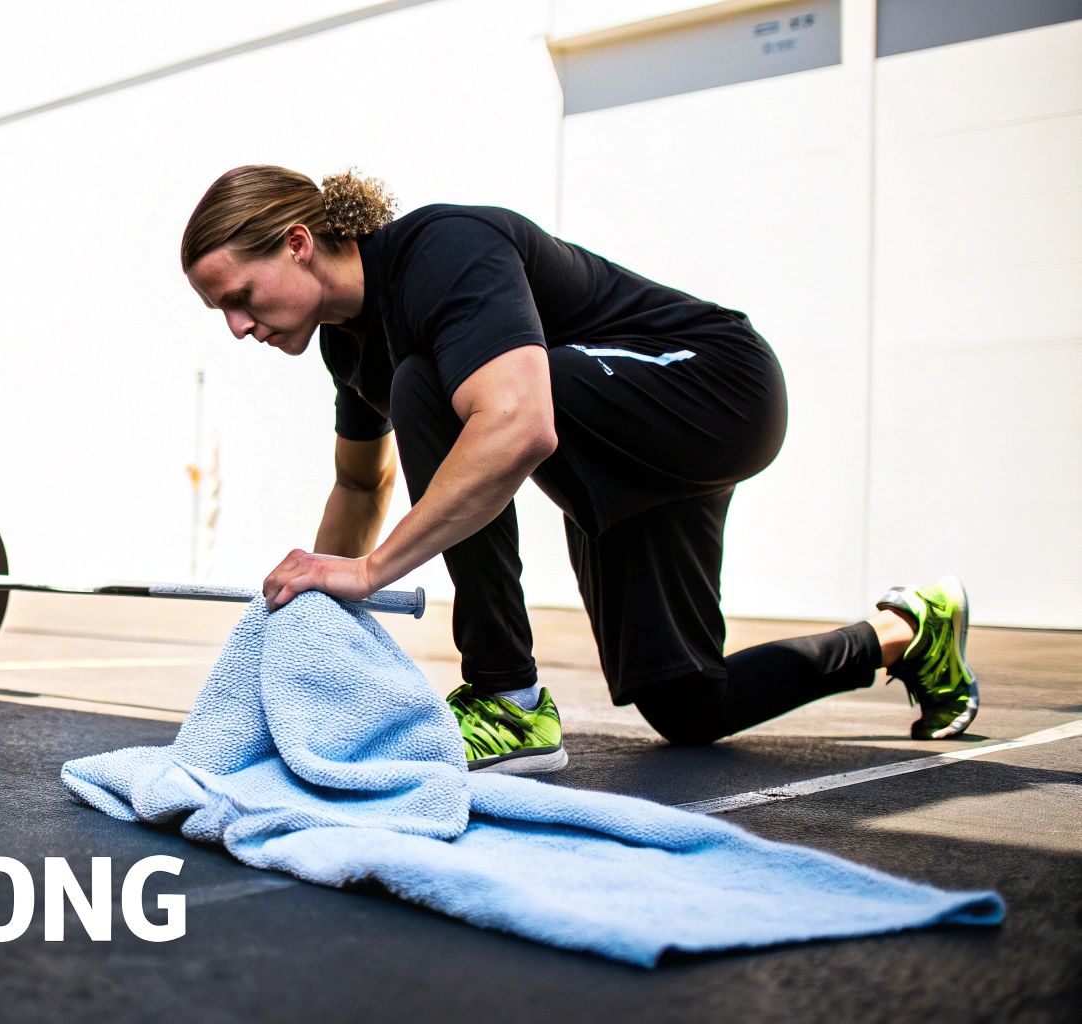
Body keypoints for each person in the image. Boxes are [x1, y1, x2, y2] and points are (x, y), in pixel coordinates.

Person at [180, 165, 978, 773]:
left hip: (715, 384)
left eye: (240, 296)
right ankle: (909, 634)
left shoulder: (441, 251)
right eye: (221, 311)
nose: (238, 326)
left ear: (295, 243)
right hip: (633, 447)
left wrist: (372, 570)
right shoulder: (348, 345)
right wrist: (312, 616)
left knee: (434, 383)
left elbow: (519, 425)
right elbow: (360, 484)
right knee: (686, 704)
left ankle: (506, 694)